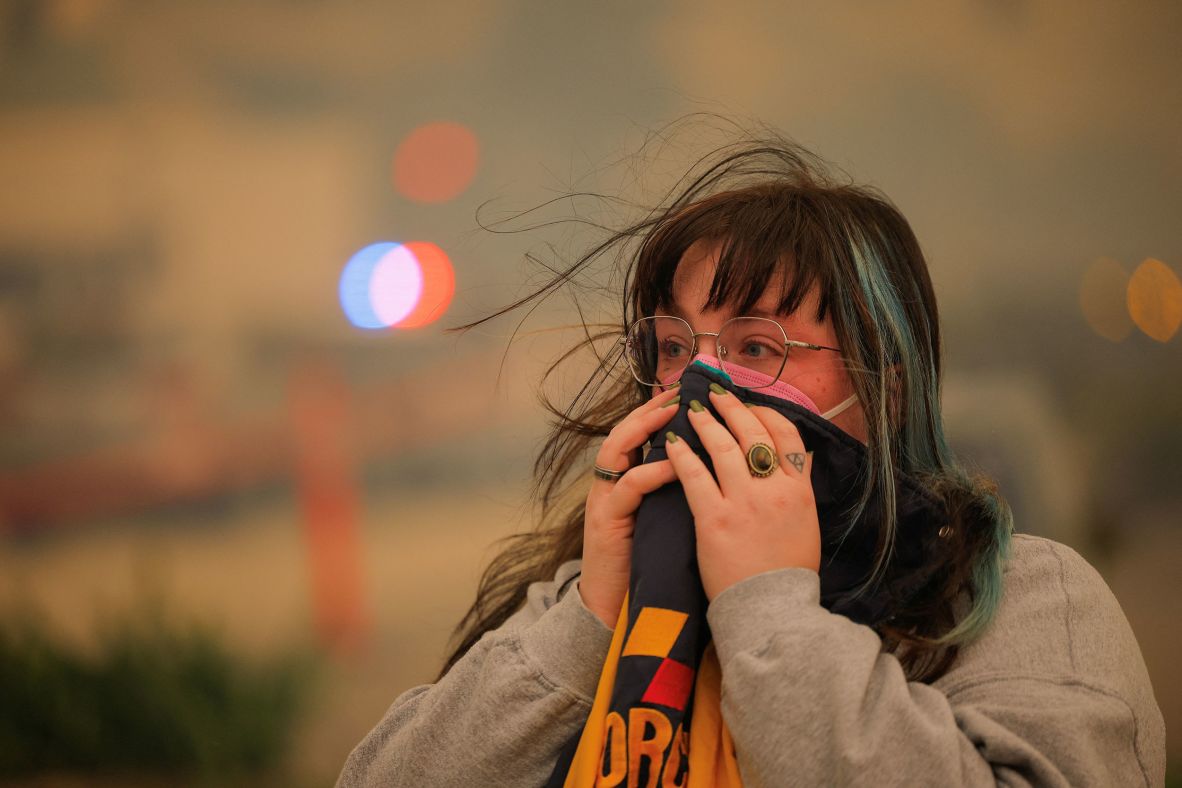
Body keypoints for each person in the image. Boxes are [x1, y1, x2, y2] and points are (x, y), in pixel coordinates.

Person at [337, 127, 1165, 786]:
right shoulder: (590, 595)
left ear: (887, 391)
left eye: (758, 344)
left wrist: (770, 608)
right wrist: (585, 620)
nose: (701, 380)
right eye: (674, 345)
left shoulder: (1018, 599)